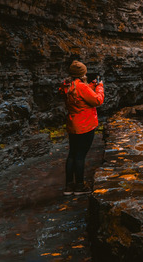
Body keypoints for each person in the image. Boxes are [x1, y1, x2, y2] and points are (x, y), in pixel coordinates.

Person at [59, 60, 104, 195]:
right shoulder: (81, 87)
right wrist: (100, 86)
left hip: (73, 124)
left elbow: (80, 92)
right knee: (80, 155)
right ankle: (79, 186)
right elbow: (97, 100)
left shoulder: (66, 85)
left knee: (72, 154)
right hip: (85, 125)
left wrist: (91, 85)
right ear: (82, 73)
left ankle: (69, 186)